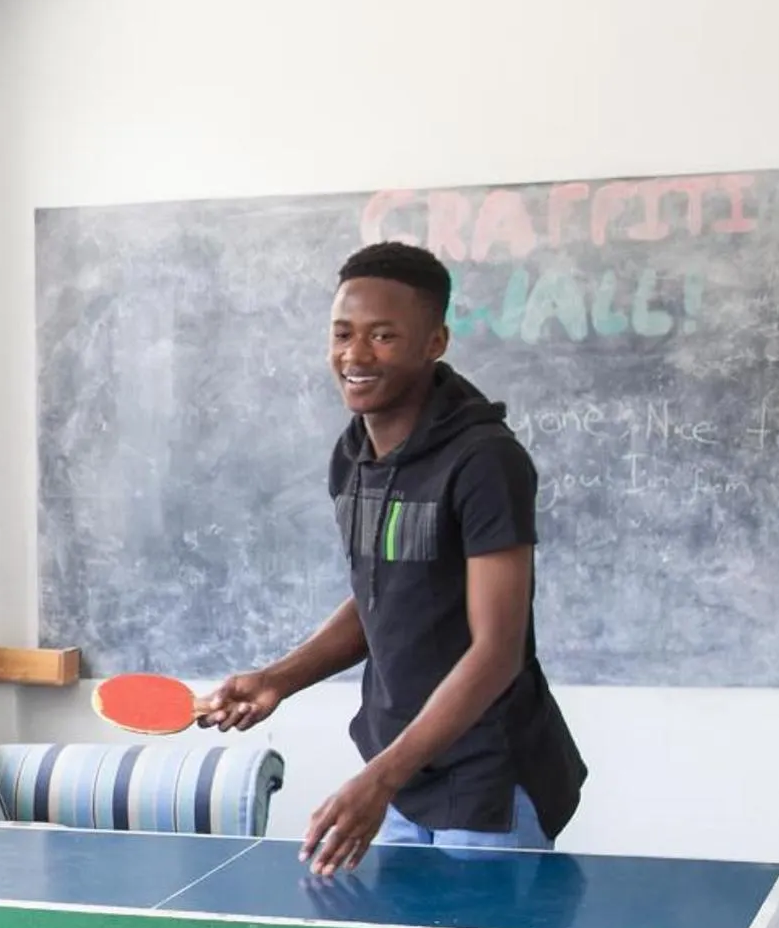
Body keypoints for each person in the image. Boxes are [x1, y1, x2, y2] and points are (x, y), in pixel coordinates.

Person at [202, 241, 587, 875]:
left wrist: (379, 781)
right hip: (401, 772)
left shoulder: (485, 462)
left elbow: (497, 653)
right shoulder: (353, 454)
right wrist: (278, 679)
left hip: (487, 782)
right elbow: (383, 596)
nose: (355, 355)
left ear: (435, 342)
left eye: (382, 336)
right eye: (343, 333)